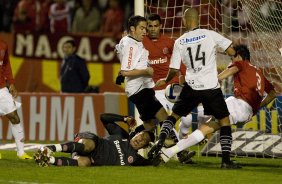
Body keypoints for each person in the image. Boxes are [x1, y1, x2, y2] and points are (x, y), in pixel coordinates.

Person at [158, 44, 277, 168]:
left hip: (238, 105)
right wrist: (257, 107)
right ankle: (169, 152)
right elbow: (273, 94)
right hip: (244, 109)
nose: (232, 61)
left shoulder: (242, 64)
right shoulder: (259, 72)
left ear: (239, 56)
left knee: (206, 124)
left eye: (232, 58)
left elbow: (232, 69)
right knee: (207, 126)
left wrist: (214, 80)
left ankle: (170, 148)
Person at [148, 8, 238, 168]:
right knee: (224, 121)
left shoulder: (180, 41)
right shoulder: (210, 34)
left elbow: (174, 70)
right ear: (198, 20)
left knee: (174, 116)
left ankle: (160, 142)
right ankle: (225, 161)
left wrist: (165, 80)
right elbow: (232, 50)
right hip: (211, 87)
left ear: (184, 21)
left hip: (192, 87)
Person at [143, 13, 197, 163]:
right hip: (155, 89)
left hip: (173, 87)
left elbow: (181, 63)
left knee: (186, 119)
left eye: (155, 26)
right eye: (150, 26)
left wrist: (186, 79)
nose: (153, 29)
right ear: (146, 27)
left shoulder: (170, 42)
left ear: (160, 26)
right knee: (167, 119)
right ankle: (181, 153)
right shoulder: (141, 42)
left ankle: (180, 144)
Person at [34, 113, 159, 167]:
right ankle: (49, 148)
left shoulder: (135, 159)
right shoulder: (122, 135)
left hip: (92, 159)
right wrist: (124, 118)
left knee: (84, 163)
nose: (139, 140)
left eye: (143, 141)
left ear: (143, 147)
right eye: (140, 136)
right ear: (136, 134)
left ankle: (47, 159)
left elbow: (152, 162)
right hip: (92, 141)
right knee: (88, 146)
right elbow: (103, 117)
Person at [0, 39, 32, 159]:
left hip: (1, 88)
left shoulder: (3, 45)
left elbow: (6, 65)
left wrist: (11, 83)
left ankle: (21, 152)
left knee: (14, 116)